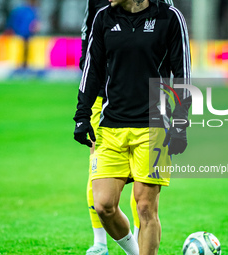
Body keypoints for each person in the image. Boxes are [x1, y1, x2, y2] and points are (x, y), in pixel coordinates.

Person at [75, 0, 191, 254]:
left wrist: (180, 122)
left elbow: (182, 74)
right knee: (104, 204)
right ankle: (132, 251)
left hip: (153, 124)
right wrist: (82, 114)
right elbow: (91, 69)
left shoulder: (169, 17)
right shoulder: (103, 16)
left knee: (146, 206)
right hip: (111, 123)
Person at [5, 0, 38, 68]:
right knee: (22, 49)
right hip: (22, 34)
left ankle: (22, 65)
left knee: (24, 49)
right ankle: (21, 65)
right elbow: (34, 24)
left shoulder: (26, 10)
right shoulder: (30, 11)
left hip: (21, 33)